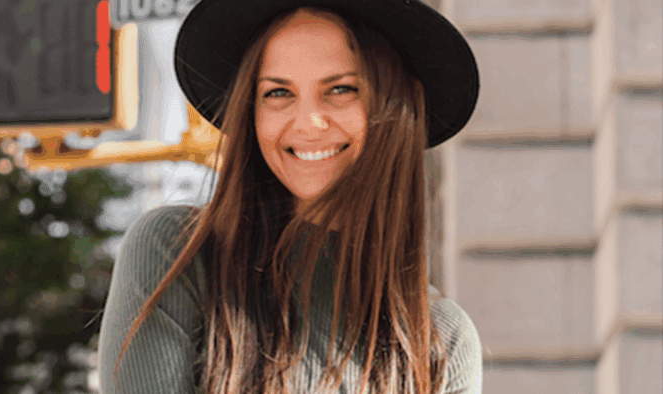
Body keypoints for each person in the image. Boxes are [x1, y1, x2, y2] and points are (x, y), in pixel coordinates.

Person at [98, 0, 483, 393]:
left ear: (401, 106)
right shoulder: (177, 253)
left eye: (340, 89)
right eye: (278, 92)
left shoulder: (442, 342)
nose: (307, 123)